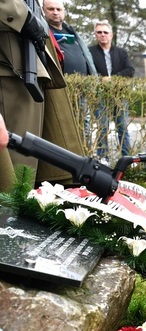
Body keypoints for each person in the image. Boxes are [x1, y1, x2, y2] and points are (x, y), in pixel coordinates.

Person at [0, 0, 84, 190]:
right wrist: (25, 18)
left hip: (23, 60)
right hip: (10, 64)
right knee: (14, 175)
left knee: (27, 169)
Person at [43, 0, 96, 147]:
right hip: (60, 88)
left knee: (83, 126)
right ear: (43, 10)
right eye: (51, 9)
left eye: (58, 9)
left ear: (64, 12)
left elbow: (87, 57)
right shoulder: (43, 31)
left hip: (82, 89)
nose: (55, 12)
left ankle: (86, 152)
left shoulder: (72, 32)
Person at [89, 20, 134, 160]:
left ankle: (127, 159)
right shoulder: (90, 52)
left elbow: (130, 70)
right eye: (99, 32)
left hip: (119, 95)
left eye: (105, 32)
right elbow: (88, 71)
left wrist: (113, 79)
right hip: (100, 95)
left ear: (111, 35)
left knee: (123, 127)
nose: (102, 35)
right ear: (96, 34)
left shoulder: (121, 52)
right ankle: (103, 159)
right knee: (102, 128)